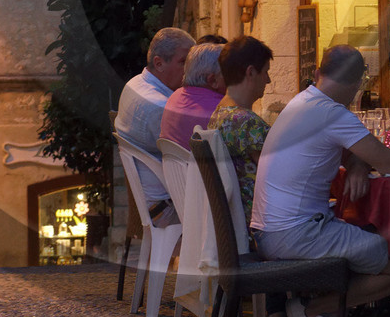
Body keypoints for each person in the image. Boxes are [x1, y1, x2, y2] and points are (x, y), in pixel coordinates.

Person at [251, 45, 390, 317]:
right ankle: (319, 310)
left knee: (371, 239)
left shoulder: (303, 102)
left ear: (319, 72)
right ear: (357, 83)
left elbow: (354, 152)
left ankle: (317, 313)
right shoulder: (332, 112)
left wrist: (357, 166)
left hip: (270, 232)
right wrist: (364, 161)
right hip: (297, 234)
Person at [114, 27, 193, 226]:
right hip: (167, 210)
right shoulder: (160, 107)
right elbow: (194, 159)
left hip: (155, 203)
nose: (190, 70)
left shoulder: (136, 83)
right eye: (184, 62)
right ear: (159, 63)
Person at [207, 35, 274, 225]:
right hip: (263, 226)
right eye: (266, 72)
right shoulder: (247, 124)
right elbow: (283, 176)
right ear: (251, 72)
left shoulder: (218, 115)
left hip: (236, 225)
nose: (268, 80)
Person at [159, 42, 226, 148]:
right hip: (201, 164)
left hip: (175, 164)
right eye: (230, 73)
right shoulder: (221, 111)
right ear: (213, 80)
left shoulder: (175, 96)